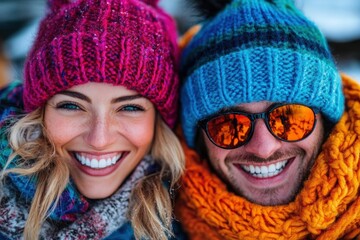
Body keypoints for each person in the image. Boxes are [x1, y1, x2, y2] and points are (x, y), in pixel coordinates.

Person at [0, 0, 185, 239]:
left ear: (158, 120)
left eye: (129, 107)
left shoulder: (184, 219)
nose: (99, 139)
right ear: (39, 112)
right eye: (71, 105)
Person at [175, 0, 360, 239]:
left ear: (328, 122)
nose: (264, 148)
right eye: (230, 125)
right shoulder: (157, 224)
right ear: (199, 138)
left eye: (289, 117)